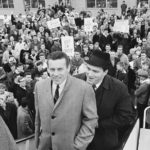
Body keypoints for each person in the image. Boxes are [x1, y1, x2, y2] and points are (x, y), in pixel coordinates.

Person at [34, 51, 98, 150]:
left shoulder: (84, 88)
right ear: (47, 69)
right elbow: (38, 120)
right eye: (52, 69)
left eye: (60, 69)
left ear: (68, 68)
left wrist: (78, 146)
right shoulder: (39, 86)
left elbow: (91, 120)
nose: (55, 73)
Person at [75, 50, 134, 150]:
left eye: (95, 71)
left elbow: (125, 116)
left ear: (105, 72)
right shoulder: (75, 81)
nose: (90, 74)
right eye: (88, 69)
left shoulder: (119, 88)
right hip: (76, 141)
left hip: (104, 143)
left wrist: (97, 124)